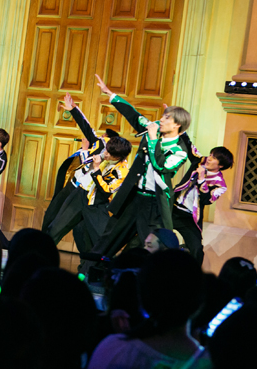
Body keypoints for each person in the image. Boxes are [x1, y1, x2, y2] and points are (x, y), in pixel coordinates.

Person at [81, 74, 191, 272]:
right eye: (163, 116)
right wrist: (110, 94)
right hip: (134, 197)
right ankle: (87, 274)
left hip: (154, 205)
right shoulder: (153, 131)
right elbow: (133, 115)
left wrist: (152, 139)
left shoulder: (179, 150)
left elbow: (161, 166)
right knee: (109, 238)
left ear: (177, 125)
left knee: (152, 248)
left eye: (166, 118)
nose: (160, 119)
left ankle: (146, 281)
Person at [43, 92, 131, 251]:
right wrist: (73, 110)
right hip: (79, 193)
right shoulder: (104, 147)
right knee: (55, 228)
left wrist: (96, 170)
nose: (105, 154)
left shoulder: (122, 171)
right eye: (106, 150)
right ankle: (41, 254)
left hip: (96, 204)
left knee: (96, 241)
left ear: (118, 156)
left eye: (109, 154)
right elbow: (87, 129)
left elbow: (106, 190)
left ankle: (91, 265)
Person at [173, 146, 232, 265]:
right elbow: (189, 147)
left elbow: (207, 200)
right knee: (149, 233)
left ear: (220, 165)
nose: (209, 158)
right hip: (172, 208)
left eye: (214, 158)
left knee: (197, 250)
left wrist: (201, 179)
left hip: (189, 218)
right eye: (210, 155)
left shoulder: (220, 184)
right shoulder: (201, 161)